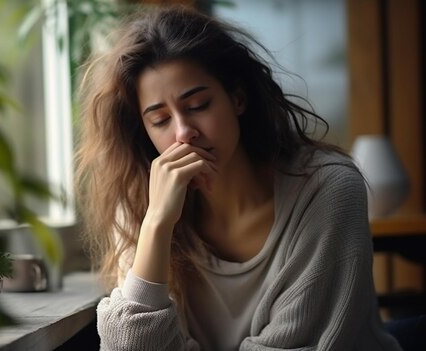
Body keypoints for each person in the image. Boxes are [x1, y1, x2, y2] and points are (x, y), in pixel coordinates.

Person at [74, 5, 403, 351]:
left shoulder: (326, 191)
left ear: (238, 98)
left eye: (199, 104)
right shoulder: (142, 202)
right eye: (160, 120)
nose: (184, 132)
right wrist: (157, 223)